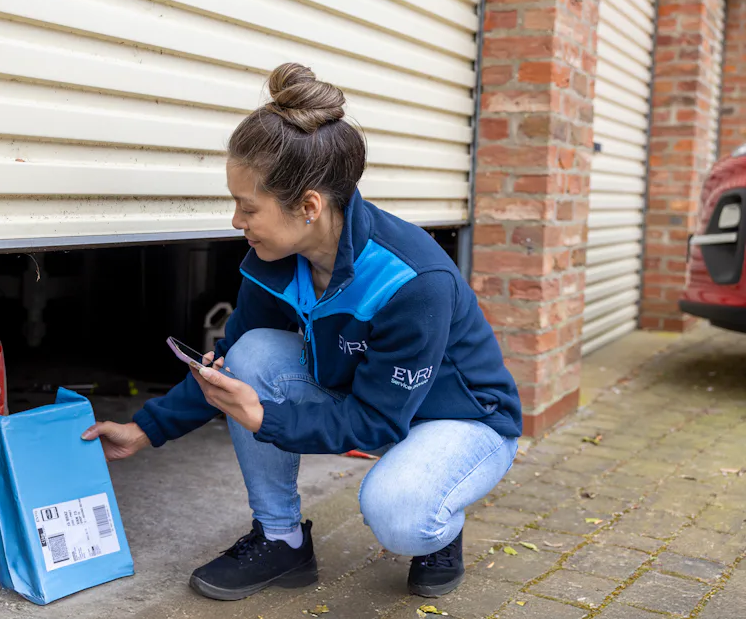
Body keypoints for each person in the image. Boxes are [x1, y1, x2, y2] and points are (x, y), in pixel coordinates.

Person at [82, 63, 522, 602]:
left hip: (463, 417)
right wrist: (146, 430)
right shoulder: (273, 260)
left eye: (248, 207)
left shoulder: (411, 280)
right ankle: (281, 539)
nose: (236, 221)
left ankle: (440, 524)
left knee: (399, 512)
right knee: (253, 352)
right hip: (372, 395)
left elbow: (376, 422)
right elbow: (228, 366)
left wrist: (262, 415)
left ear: (308, 206)